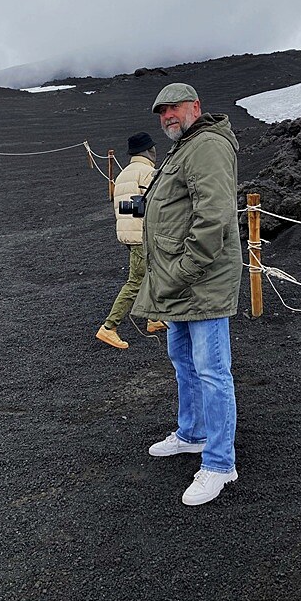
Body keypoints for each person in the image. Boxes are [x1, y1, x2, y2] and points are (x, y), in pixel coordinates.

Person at [132, 83, 242, 506]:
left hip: (200, 282)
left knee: (212, 371)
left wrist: (182, 270)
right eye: (162, 112)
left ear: (196, 106)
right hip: (180, 284)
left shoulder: (207, 146)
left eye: (174, 108)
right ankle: (193, 434)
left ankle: (220, 464)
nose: (167, 116)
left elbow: (213, 216)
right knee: (183, 361)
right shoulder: (186, 147)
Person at [96, 132, 166, 350]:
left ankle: (154, 319)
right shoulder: (148, 173)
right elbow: (157, 205)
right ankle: (109, 327)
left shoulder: (124, 174)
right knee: (136, 281)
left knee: (152, 274)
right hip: (142, 236)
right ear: (148, 151)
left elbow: (127, 207)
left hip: (128, 234)